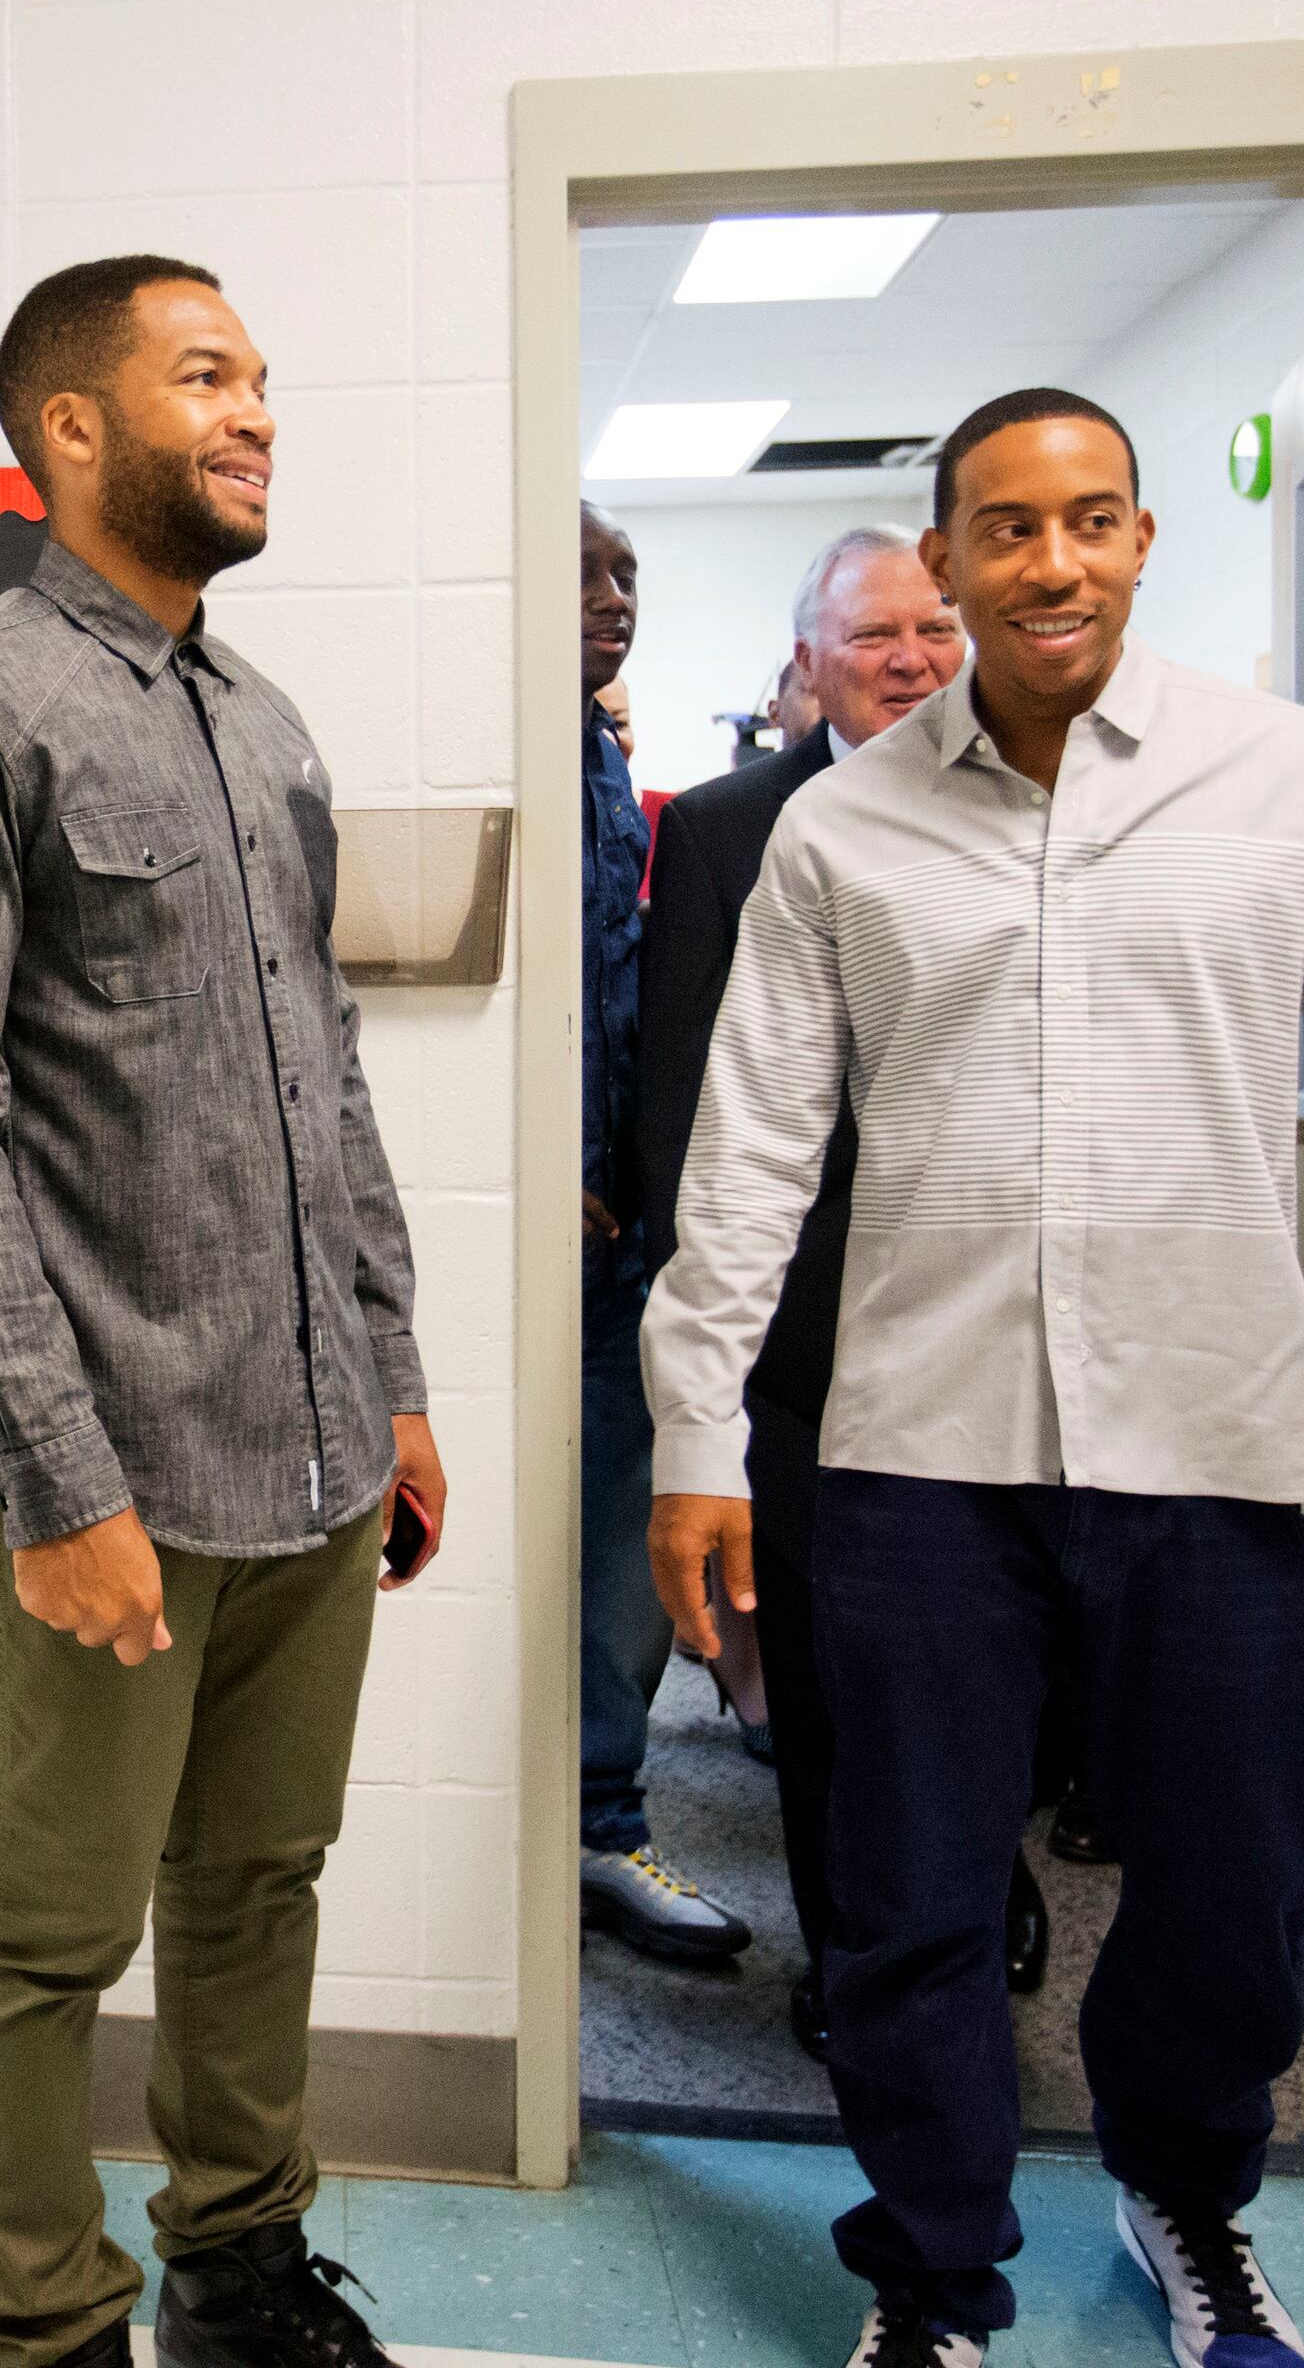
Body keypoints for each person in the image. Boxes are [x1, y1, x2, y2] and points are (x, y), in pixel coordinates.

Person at [640, 389, 1304, 2368]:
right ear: (941, 563)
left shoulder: (1302, 785)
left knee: (1237, 1889)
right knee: (908, 1904)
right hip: (910, 1465)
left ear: (1141, 543)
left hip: (1210, 1457)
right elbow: (753, 1147)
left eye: (1094, 521)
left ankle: (1186, 2201)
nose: (1055, 562)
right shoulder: (844, 834)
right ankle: (936, 2275)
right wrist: (698, 1436)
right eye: (1008, 529)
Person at [0, 254, 445, 2368]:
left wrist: (399, 1385)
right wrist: (58, 1476)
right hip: (98, 1475)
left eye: (265, 376)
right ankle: (46, 2331)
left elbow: (325, 1080)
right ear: (72, 429)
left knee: (261, 1885)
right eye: (208, 377)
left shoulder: (259, 722)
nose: (258, 410)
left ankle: (240, 2272)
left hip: (310, 1444)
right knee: (44, 1934)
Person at [635, 524, 1035, 2068]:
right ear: (806, 665)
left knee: (992, 1656)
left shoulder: (1021, 809)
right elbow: (689, 1107)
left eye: (935, 630)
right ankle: (851, 1958)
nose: (914, 659)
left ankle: (979, 1887)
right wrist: (720, 1370)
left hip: (995, 1326)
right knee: (826, 1679)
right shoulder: (735, 831)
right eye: (874, 636)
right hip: (804, 1343)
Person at [577, 505, 749, 1966]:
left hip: (636, 1225)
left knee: (625, 1542)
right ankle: (585, 1824)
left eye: (628, 576)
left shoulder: (605, 765)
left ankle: (598, 1815)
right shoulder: (530, 749)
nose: (612, 600)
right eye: (585, 575)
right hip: (558, 1230)